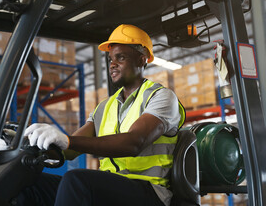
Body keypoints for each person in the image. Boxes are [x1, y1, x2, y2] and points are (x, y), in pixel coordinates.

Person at [18, 24, 185, 206]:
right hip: (110, 186)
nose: (112, 64)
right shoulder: (105, 106)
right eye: (110, 59)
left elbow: (134, 142)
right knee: (29, 183)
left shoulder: (160, 96)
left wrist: (67, 140)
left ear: (142, 60)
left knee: (76, 181)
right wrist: (24, 146)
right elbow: (70, 149)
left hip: (148, 191)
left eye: (120, 57)